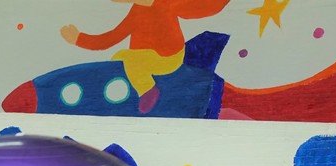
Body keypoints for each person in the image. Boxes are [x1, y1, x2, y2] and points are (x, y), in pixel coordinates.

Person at [60, 0, 229, 113]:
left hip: (167, 57)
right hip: (147, 55)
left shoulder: (165, 4)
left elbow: (200, 7)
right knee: (122, 57)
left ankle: (147, 89)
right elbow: (112, 37)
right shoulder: (137, 10)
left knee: (132, 61)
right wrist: (78, 39)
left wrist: (78, 39)